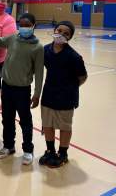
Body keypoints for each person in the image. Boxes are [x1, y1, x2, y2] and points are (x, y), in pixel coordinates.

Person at [0, 13, 44, 165]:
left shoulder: (38, 47)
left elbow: (39, 72)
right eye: (22, 24)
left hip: (23, 89)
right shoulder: (13, 38)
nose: (24, 27)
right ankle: (8, 146)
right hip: (7, 87)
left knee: (25, 121)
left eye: (27, 25)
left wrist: (37, 93)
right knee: (7, 119)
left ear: (34, 26)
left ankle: (28, 150)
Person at [39, 21, 88, 168]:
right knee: (48, 125)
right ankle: (50, 151)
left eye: (66, 33)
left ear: (70, 37)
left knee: (64, 126)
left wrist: (70, 87)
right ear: (54, 30)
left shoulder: (74, 57)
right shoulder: (45, 50)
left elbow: (83, 77)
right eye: (59, 30)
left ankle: (63, 153)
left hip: (66, 97)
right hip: (48, 94)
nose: (61, 34)